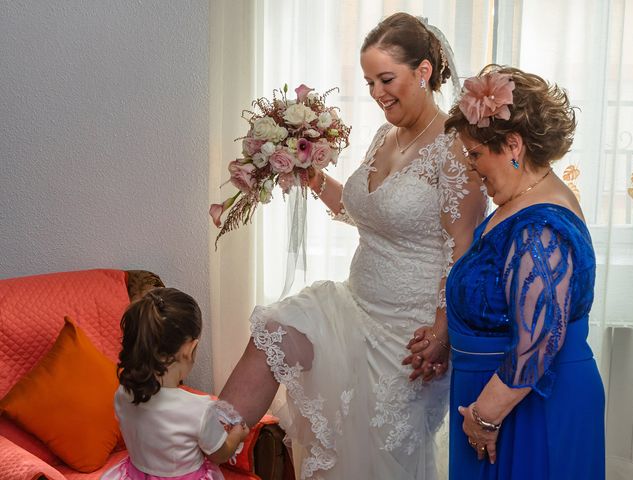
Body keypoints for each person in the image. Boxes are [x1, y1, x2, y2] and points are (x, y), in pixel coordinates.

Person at [219, 12, 486, 479]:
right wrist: (314, 178)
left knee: (378, 460)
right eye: (369, 82)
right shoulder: (387, 133)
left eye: (387, 79)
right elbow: (368, 213)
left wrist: (442, 334)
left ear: (423, 71)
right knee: (272, 333)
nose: (378, 93)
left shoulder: (455, 146)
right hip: (352, 306)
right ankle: (200, 453)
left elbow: (462, 249)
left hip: (411, 334)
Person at [441, 65, 605, 479]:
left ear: (513, 145)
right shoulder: (520, 203)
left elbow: (541, 339)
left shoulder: (539, 227)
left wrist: (484, 416)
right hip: (504, 401)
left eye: (476, 154)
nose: (473, 167)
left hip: (528, 407)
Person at [101, 288, 250, 480]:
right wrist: (237, 435)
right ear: (190, 348)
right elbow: (219, 454)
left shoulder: (123, 393)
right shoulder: (200, 409)